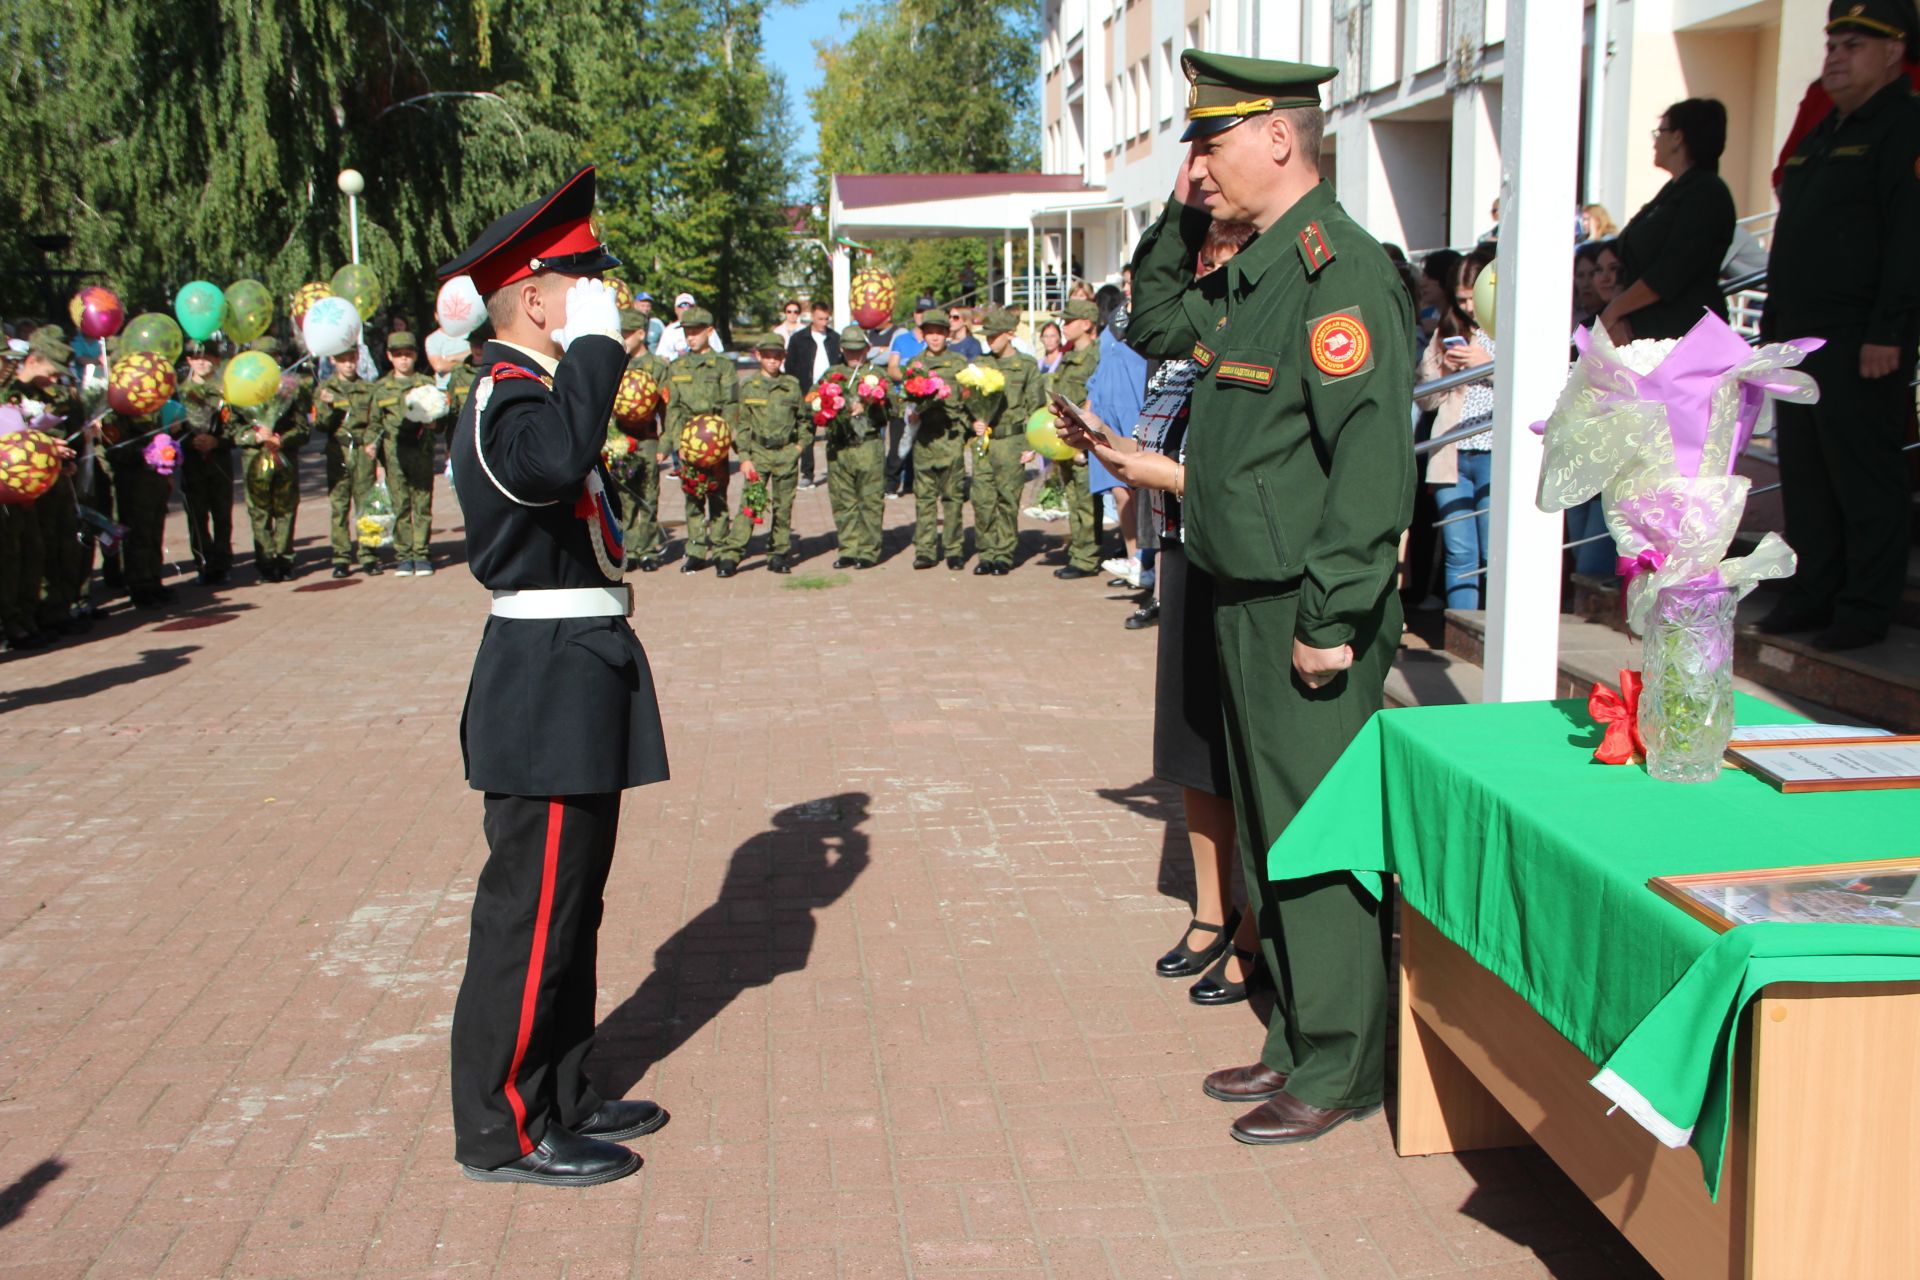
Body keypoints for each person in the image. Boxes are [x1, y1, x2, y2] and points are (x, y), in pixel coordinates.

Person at [1127, 50, 1415, 1146]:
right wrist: (1178, 200)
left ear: (1279, 138)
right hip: (1243, 593)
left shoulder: (1338, 269)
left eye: (1212, 141)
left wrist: (1333, 621)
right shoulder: (1259, 278)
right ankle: (1300, 1033)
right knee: (1269, 835)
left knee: (1320, 834)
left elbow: (1371, 464)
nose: (1199, 163)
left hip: (1305, 604)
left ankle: (1345, 1060)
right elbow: (1156, 316)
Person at [439, 166, 670, 1189]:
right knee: (527, 914)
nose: (600, 294)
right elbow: (546, 465)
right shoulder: (506, 391)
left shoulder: (536, 385)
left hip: (578, 662)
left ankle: (563, 1086)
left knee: (572, 902)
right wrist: (595, 351)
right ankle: (503, 1126)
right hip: (542, 674)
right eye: (582, 279)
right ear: (536, 296)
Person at [1059, 217, 1263, 1002]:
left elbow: (1246, 469)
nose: (1201, 269)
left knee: (1245, 755)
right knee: (1192, 752)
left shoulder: (1252, 332)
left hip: (1243, 560)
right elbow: (1164, 442)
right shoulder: (1186, 345)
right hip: (1183, 551)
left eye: (1212, 255)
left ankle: (1255, 930)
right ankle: (1212, 911)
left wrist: (1161, 473)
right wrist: (1111, 444)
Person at [1758, 0, 1920, 652]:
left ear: (1893, 52)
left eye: (1854, 44)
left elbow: (1909, 236)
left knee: (1863, 477)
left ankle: (1862, 606)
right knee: (1807, 473)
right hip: (1802, 336)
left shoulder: (1903, 126)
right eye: (1833, 44)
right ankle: (1814, 589)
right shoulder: (1828, 129)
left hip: (1860, 340)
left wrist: (1891, 329)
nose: (1836, 55)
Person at [1599, 100, 1737, 345]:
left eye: (1660, 132)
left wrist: (1615, 310)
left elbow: (1670, 271)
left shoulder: (1706, 192)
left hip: (1683, 334)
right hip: (1649, 330)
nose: (1655, 141)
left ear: (1677, 138)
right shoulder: (1673, 190)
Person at [1416, 255, 1497, 610]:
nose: (1468, 307)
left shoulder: (1511, 330)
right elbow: (1427, 400)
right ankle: (1460, 633)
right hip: (1452, 455)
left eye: (1473, 298)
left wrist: (1488, 366)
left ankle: (1496, 639)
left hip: (1495, 454)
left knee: (1496, 552)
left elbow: (1530, 393)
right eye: (1461, 299)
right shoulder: (1447, 331)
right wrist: (1444, 372)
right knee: (1460, 553)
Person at [663, 306, 741, 574]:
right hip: (688, 443)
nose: (691, 337)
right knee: (693, 497)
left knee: (717, 497)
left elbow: (732, 405)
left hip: (715, 440)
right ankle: (696, 549)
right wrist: (676, 444)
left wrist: (725, 439)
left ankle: (721, 548)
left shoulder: (723, 365)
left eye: (696, 331)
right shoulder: (677, 367)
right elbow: (672, 409)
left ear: (709, 331)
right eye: (687, 332)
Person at [965, 308, 1043, 575]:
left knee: (1008, 500)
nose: (990, 341)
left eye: (994, 336)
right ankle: (986, 553)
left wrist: (1032, 446)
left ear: (1009, 335)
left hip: (1012, 440)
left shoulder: (1026, 365)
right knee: (983, 499)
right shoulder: (979, 364)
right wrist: (974, 420)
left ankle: (1004, 554)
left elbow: (1036, 408)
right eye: (987, 336)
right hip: (986, 440)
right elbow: (968, 401)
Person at [232, 336, 312, 582]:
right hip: (255, 458)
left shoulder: (291, 388)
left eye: (273, 357)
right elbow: (232, 431)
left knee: (286, 509)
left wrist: (282, 439)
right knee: (259, 512)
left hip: (284, 457)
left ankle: (285, 560)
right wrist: (254, 436)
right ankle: (266, 562)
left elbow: (303, 430)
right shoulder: (240, 389)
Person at [729, 336, 809, 572]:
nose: (772, 361)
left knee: (783, 507)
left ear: (783, 357)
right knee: (750, 504)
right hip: (758, 453)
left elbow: (804, 421)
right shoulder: (748, 386)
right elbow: (742, 425)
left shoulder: (792, 385)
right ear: (758, 356)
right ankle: (732, 553)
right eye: (767, 356)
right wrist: (744, 457)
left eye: (777, 356)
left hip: (786, 452)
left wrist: (799, 447)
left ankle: (778, 553)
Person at [1086, 285, 1149, 587]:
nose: (1128, 288)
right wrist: (1087, 409)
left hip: (1136, 410)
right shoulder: (1113, 323)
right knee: (1118, 489)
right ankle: (1133, 556)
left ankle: (1148, 560)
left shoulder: (1152, 321)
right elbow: (1099, 372)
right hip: (1106, 413)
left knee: (1140, 487)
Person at [899, 310, 971, 569]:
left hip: (950, 439)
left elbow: (969, 399)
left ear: (947, 334)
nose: (935, 337)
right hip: (925, 441)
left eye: (939, 331)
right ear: (923, 333)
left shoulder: (959, 363)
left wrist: (965, 428)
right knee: (925, 499)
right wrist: (911, 414)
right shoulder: (914, 365)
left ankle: (954, 550)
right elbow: (904, 402)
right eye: (930, 331)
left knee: (953, 498)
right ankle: (926, 551)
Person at [822, 326, 893, 569]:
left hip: (868, 446)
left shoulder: (877, 374)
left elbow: (894, 410)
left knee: (870, 500)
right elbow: (813, 404)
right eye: (849, 351)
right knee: (843, 500)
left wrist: (873, 404)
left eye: (858, 351)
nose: (854, 356)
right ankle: (848, 548)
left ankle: (868, 550)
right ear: (841, 349)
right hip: (840, 447)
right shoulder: (831, 374)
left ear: (867, 349)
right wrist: (832, 408)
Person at [373, 332, 439, 576]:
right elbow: (375, 424)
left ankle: (421, 553)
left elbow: (441, 419)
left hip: (421, 453)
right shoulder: (380, 389)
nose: (404, 360)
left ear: (415, 355)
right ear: (390, 356)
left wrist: (435, 425)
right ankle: (403, 555)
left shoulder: (426, 384)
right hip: (394, 456)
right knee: (400, 504)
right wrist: (372, 449)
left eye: (408, 354)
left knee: (421, 503)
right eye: (398, 355)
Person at [315, 348, 384, 577]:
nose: (348, 365)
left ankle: (368, 554)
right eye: (343, 360)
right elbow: (321, 425)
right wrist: (328, 406)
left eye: (351, 359)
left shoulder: (368, 388)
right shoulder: (326, 389)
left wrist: (371, 442)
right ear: (334, 360)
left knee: (365, 504)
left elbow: (376, 421)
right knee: (339, 505)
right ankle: (341, 557)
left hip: (362, 451)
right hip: (338, 451)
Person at [613, 308, 672, 572]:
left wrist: (665, 443)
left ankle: (647, 550)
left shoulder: (657, 367)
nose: (622, 338)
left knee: (648, 494)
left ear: (640, 333)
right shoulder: (615, 362)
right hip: (620, 439)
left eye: (626, 333)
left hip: (647, 438)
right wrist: (607, 441)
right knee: (624, 495)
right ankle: (628, 549)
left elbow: (667, 409)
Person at [1046, 299, 1101, 579]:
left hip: (1087, 441)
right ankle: (1079, 549)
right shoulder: (1066, 358)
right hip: (1066, 439)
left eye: (1069, 321)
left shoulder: (1098, 356)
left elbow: (1098, 401)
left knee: (1085, 499)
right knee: (1073, 496)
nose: (1063, 326)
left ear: (1087, 324)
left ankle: (1086, 557)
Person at [176, 338, 235, 586]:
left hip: (219, 459)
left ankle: (222, 563)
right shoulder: (179, 392)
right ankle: (203, 562)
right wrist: (189, 441)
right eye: (196, 357)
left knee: (222, 514)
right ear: (189, 361)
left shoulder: (228, 391)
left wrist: (217, 441)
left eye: (207, 357)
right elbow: (171, 429)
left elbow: (236, 428)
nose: (202, 362)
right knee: (197, 515)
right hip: (192, 462)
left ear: (217, 360)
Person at [784, 299, 841, 488]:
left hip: (830, 392)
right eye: (820, 319)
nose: (824, 323)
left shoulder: (835, 338)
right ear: (812, 317)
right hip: (806, 391)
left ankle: (836, 470)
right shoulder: (799, 339)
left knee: (835, 433)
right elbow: (790, 367)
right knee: (807, 433)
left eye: (827, 319)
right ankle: (807, 473)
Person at [885, 298, 934, 498]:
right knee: (897, 444)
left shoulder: (935, 340)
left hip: (927, 402)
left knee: (923, 444)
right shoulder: (901, 339)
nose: (921, 315)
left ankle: (912, 483)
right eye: (918, 311)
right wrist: (912, 379)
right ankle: (890, 484)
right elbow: (892, 368)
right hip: (902, 400)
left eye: (926, 311)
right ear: (914, 314)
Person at [656, 293, 725, 361]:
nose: (686, 309)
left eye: (689, 306)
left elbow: (718, 352)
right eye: (681, 306)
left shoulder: (705, 328)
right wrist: (677, 355)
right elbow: (661, 356)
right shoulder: (669, 331)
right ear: (675, 310)